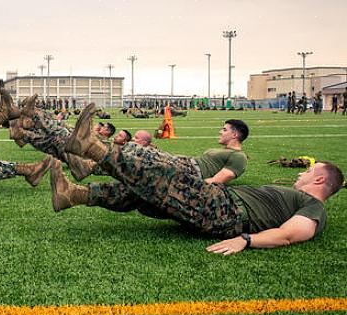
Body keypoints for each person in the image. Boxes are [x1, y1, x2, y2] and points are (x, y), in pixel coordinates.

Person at [53, 104, 344, 255]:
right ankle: (74, 194)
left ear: (319, 181)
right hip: (223, 204)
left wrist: (246, 240)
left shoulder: (313, 208)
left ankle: (90, 148)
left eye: (307, 173)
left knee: (162, 178)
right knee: (142, 193)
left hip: (226, 212)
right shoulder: (299, 197)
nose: (300, 174)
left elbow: (291, 234)